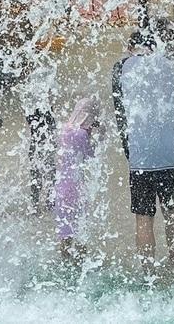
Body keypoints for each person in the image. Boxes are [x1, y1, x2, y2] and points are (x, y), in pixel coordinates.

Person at [113, 27, 174, 271]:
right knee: (170, 207)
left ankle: (148, 272)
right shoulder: (170, 65)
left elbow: (119, 111)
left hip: (141, 153)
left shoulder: (122, 67)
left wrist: (129, 152)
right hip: (170, 150)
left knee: (144, 216)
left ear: (132, 48)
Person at [53, 95, 101, 264]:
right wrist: (98, 136)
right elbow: (90, 155)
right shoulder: (81, 134)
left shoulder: (65, 129)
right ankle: (80, 262)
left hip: (62, 184)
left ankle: (64, 261)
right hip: (75, 185)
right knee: (80, 225)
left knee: (65, 227)